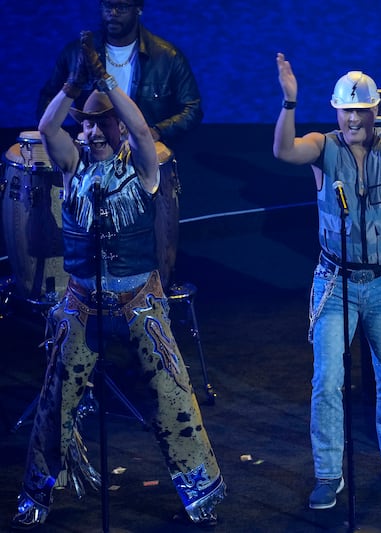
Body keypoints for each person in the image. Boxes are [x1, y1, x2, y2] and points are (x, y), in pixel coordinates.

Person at [11, 32, 224, 529]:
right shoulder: (72, 166)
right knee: (55, 401)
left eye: (102, 123)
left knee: (173, 398)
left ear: (118, 127)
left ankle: (202, 496)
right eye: (85, 125)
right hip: (82, 303)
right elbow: (46, 127)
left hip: (139, 304)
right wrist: (71, 88)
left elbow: (143, 131)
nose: (92, 133)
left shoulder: (143, 167)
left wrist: (107, 84)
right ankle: (37, 495)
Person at [273, 51, 381, 510]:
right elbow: (284, 151)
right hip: (335, 282)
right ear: (336, 112)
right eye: (344, 110)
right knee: (326, 380)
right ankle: (328, 473)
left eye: (359, 110)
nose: (351, 119)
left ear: (373, 112)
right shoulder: (322, 148)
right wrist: (289, 103)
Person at [37, 0, 203, 147]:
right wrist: (60, 140)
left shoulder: (167, 57)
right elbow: (49, 97)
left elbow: (192, 109)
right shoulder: (76, 53)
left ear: (138, 9)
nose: (113, 13)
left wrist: (157, 131)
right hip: (93, 151)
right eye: (107, 5)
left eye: (122, 7)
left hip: (142, 154)